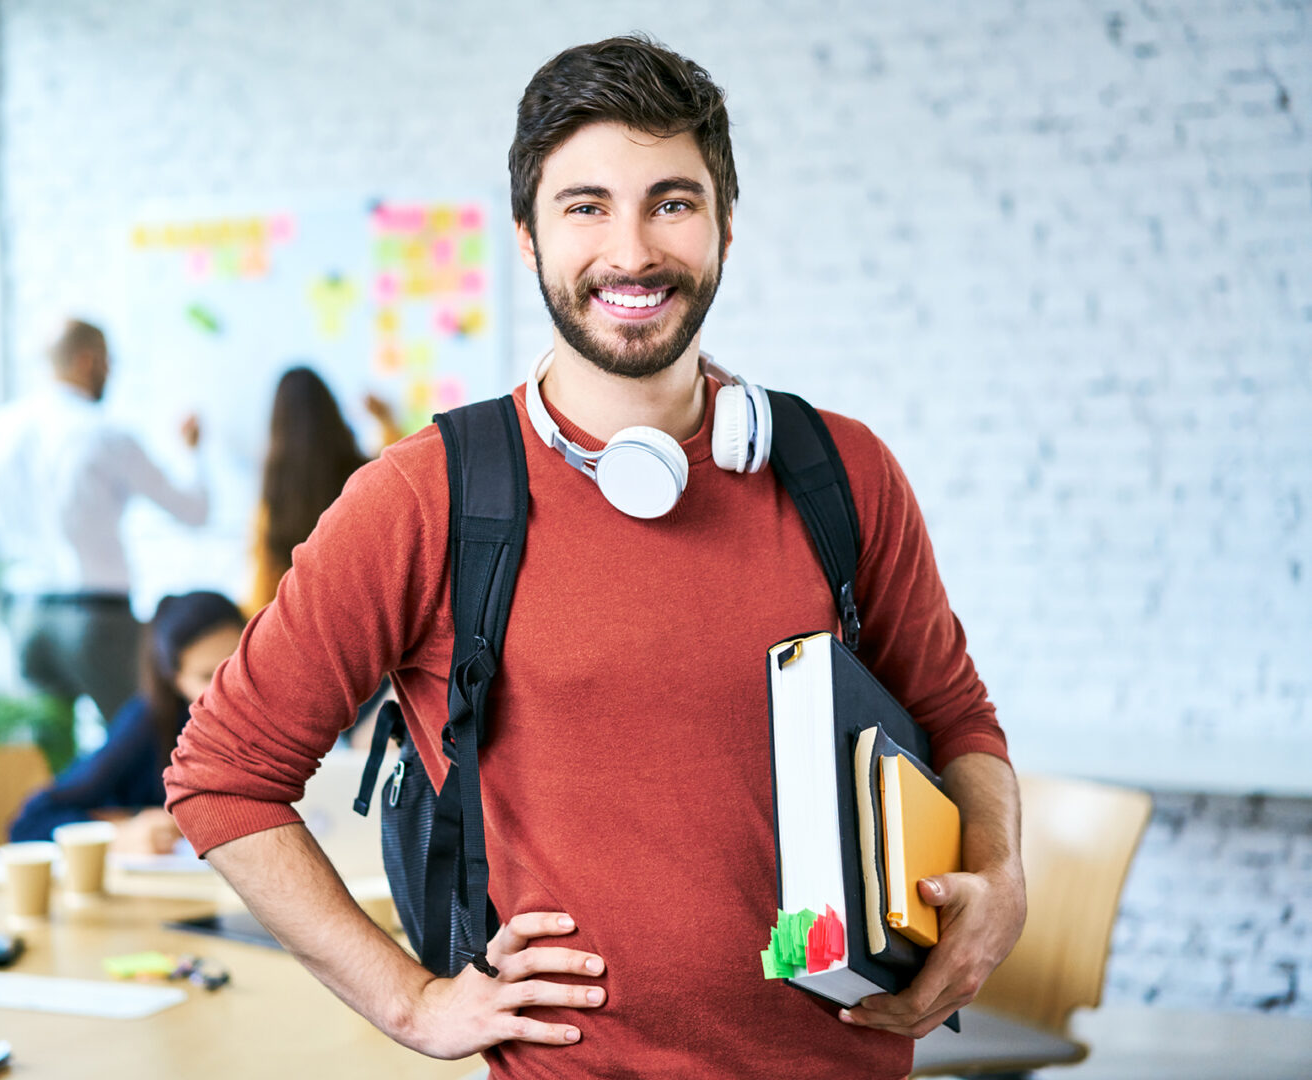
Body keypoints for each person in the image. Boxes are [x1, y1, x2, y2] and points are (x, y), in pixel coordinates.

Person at [163, 36, 1024, 1079]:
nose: (630, 251)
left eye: (670, 201)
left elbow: (955, 717)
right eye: (584, 206)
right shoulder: (426, 498)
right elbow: (223, 775)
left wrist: (1000, 877)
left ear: (723, 228)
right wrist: (411, 1002)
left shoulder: (841, 471)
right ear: (526, 238)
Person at [0, 318, 209, 764]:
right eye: (109, 363)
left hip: (26, 618)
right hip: (99, 619)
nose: (110, 374)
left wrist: (7, 615)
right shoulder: (105, 434)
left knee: (48, 762)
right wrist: (192, 452)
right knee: (150, 747)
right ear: (88, 360)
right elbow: (193, 512)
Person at [9, 591, 245, 853]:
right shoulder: (147, 723)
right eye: (205, 676)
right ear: (176, 679)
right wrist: (119, 835)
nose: (225, 689)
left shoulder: (270, 719)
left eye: (236, 667)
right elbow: (31, 823)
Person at [249, 366, 399, 610]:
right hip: (374, 612)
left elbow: (263, 593)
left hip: (309, 629)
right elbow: (397, 472)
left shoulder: (272, 502)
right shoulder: (363, 477)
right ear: (333, 415)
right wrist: (387, 421)